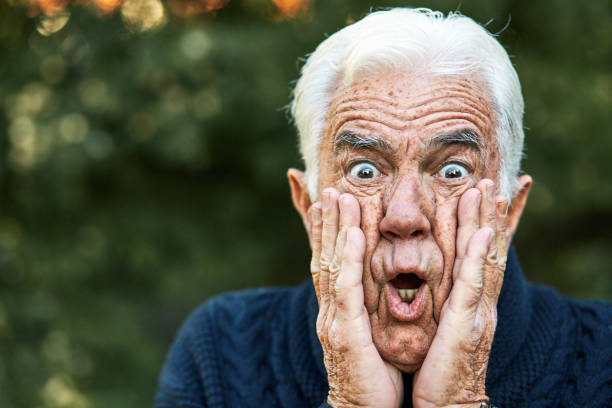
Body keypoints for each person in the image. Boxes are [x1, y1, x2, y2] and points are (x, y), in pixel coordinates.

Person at [154, 8, 612, 408]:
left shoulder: (603, 360)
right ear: (309, 205)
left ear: (508, 212)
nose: (404, 216)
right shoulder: (221, 352)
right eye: (365, 172)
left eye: (453, 171)